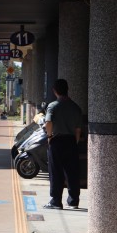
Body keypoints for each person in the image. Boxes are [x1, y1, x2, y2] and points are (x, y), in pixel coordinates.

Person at [43, 79, 82, 210]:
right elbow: (78, 129)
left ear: (55, 91)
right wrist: (75, 141)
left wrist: (49, 136)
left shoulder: (53, 106)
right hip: (71, 141)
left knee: (56, 172)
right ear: (67, 90)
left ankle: (56, 201)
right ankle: (73, 201)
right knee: (72, 172)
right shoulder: (76, 107)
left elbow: (48, 122)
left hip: (57, 141)